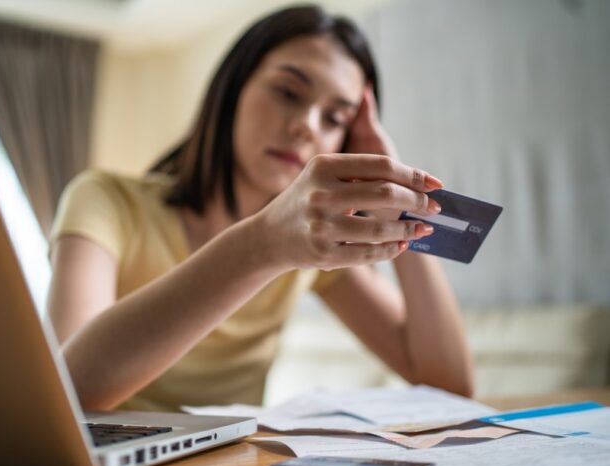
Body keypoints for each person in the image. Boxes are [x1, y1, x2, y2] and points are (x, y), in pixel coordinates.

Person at [47, 5, 474, 413]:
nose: (306, 125)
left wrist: (403, 207)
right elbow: (66, 391)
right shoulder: (105, 200)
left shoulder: (309, 250)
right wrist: (262, 245)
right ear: (232, 91)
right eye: (288, 92)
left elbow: (449, 386)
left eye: (335, 119)